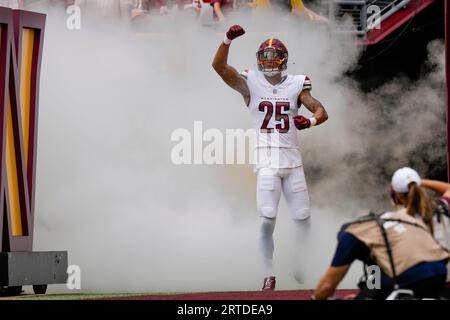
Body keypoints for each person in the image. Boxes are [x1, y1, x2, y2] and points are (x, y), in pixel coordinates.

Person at [212, 25, 328, 291]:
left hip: (292, 161)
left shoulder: (298, 84)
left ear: (284, 59)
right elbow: (219, 67)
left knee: (303, 218)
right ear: (258, 60)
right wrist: (227, 40)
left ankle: (299, 258)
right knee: (267, 218)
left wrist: (309, 121)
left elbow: (321, 110)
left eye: (273, 56)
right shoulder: (249, 83)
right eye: (264, 57)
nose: (269, 61)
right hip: (266, 161)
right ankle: (268, 274)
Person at [312, 167, 450, 300]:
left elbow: (375, 265)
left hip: (409, 279)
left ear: (395, 196)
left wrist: (367, 294)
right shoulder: (440, 208)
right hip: (441, 277)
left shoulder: (392, 220)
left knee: (376, 257)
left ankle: (370, 294)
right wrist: (417, 182)